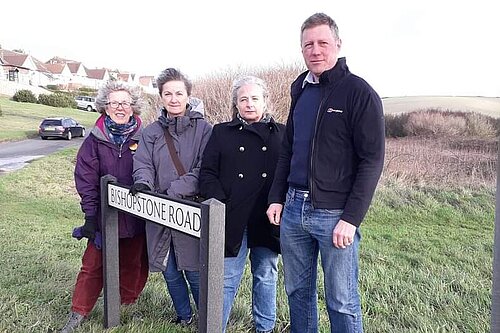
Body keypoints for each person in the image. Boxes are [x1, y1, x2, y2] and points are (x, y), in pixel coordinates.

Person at [266, 13, 385, 333]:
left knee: (342, 300)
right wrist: (276, 197)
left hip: (334, 215)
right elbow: (288, 151)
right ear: (301, 49)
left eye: (322, 43)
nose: (315, 50)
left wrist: (351, 218)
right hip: (292, 211)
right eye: (308, 45)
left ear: (338, 44)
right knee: (297, 292)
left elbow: (372, 160)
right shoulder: (300, 91)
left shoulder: (359, 93)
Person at [61, 81, 149, 333]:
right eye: (114, 103)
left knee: (134, 263)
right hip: (104, 216)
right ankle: (78, 312)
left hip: (136, 215)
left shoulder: (146, 137)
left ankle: (125, 304)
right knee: (93, 265)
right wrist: (90, 215)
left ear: (133, 107)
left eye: (125, 103)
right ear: (105, 107)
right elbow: (86, 178)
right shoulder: (94, 139)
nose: (120, 107)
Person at [199, 75, 285, 333]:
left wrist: (280, 202)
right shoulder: (221, 132)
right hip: (232, 217)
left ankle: (265, 328)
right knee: (225, 279)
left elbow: (289, 174)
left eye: (255, 98)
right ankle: (215, 328)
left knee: (266, 275)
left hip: (268, 218)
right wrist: (222, 205)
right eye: (243, 99)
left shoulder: (282, 134)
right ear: (235, 104)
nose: (249, 104)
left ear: (265, 101)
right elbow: (207, 175)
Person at [130, 68, 212, 326]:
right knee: (169, 268)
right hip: (157, 210)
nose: (174, 99)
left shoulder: (205, 130)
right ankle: (184, 315)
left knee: (194, 270)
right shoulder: (151, 132)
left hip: (189, 209)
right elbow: (142, 162)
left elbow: (205, 168)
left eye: (179, 93)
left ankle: (206, 318)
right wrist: (143, 184)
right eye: (168, 93)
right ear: (161, 97)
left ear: (188, 95)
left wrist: (174, 192)